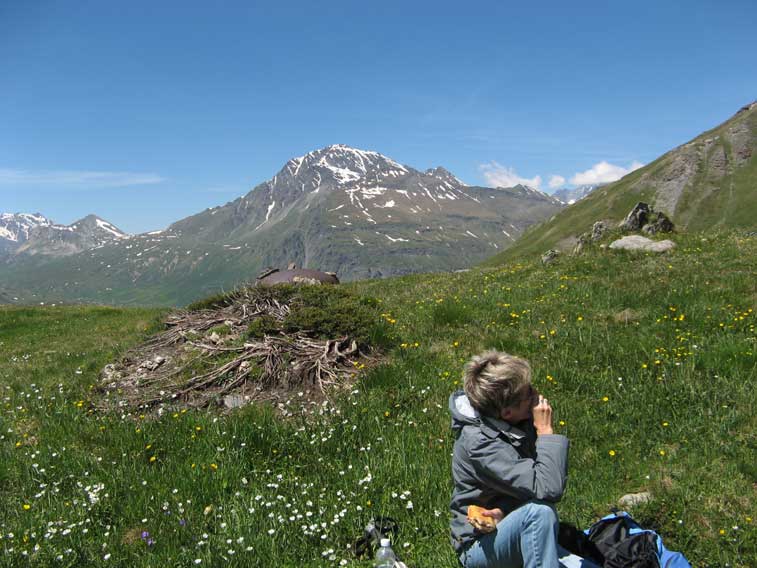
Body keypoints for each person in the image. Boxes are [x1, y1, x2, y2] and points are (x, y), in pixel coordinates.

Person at [449, 351, 596, 568]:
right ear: (507, 412)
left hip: (513, 526)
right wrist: (545, 431)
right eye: (529, 394)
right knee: (540, 513)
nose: (537, 396)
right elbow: (547, 487)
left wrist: (504, 512)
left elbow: (526, 485)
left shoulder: (512, 422)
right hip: (480, 546)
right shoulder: (480, 443)